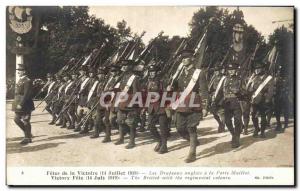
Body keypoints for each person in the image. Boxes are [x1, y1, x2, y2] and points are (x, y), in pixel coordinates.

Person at [170, 49, 209, 163]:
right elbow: (177, 89)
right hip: (181, 103)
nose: (184, 60)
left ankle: (192, 153)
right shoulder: (179, 73)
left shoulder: (199, 73)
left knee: (191, 128)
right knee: (180, 128)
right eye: (182, 58)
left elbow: (204, 90)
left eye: (186, 58)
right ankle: (194, 141)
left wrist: (205, 106)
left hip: (193, 103)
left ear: (192, 58)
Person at [146, 63, 169, 154]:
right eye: (150, 72)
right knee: (150, 126)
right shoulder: (148, 81)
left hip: (160, 106)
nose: (152, 73)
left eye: (153, 72)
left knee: (163, 127)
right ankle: (159, 141)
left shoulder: (161, 81)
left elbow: (165, 94)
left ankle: (164, 146)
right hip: (151, 107)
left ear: (157, 72)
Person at [12, 64, 35, 145]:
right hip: (19, 104)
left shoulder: (27, 80)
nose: (18, 72)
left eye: (20, 70)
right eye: (18, 70)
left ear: (24, 71)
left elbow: (26, 94)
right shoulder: (21, 79)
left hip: (26, 105)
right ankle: (28, 133)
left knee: (26, 121)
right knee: (16, 119)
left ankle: (27, 138)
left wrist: (21, 104)